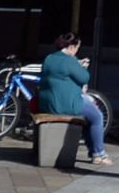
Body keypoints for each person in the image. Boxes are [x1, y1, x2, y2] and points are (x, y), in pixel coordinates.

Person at [38, 31, 112, 166]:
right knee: (97, 116)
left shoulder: (49, 58)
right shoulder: (70, 61)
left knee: (89, 117)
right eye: (77, 48)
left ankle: (94, 152)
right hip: (67, 104)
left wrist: (76, 64)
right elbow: (84, 78)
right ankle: (99, 154)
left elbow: (61, 73)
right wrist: (82, 67)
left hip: (47, 103)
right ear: (72, 47)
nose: (77, 50)